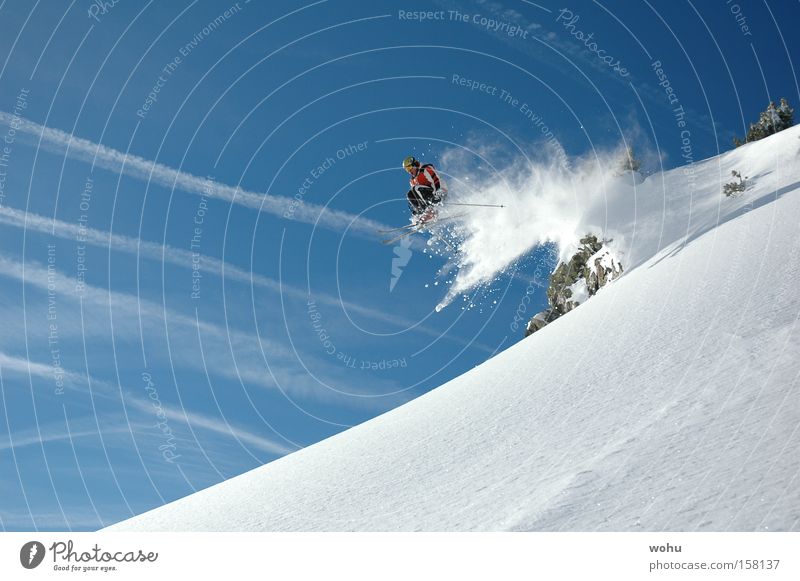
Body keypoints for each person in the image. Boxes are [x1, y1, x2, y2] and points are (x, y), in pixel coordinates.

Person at [403, 155, 445, 223]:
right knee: (409, 194)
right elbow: (415, 196)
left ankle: (431, 212)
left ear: (414, 165)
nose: (409, 171)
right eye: (407, 169)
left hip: (439, 193)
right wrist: (415, 211)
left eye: (409, 167)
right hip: (428, 198)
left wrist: (439, 193)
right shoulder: (412, 180)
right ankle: (421, 214)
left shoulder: (425, 169)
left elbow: (437, 180)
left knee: (415, 188)